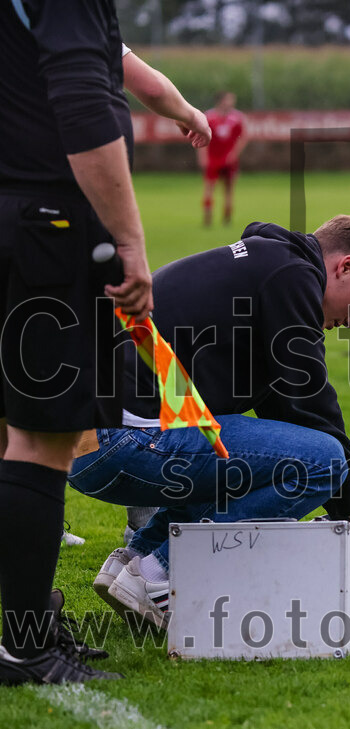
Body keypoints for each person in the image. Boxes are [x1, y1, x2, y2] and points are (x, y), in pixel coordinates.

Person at [68, 215, 350, 630]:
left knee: (256, 454)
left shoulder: (267, 265)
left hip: (79, 441)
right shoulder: (293, 277)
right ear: (345, 265)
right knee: (326, 462)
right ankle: (163, 574)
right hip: (121, 440)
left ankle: (134, 561)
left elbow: (287, 411)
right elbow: (311, 401)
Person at [0, 0, 153, 684]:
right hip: (47, 223)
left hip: (13, 212)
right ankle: (24, 643)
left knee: (13, 433)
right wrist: (128, 239)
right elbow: (83, 101)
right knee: (43, 438)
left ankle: (29, 615)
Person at [120, 43, 212, 546]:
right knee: (55, 406)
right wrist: (191, 113)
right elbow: (150, 85)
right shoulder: (70, 14)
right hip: (52, 217)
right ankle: (145, 531)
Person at [199, 91, 247, 227]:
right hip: (213, 158)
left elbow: (243, 137)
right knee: (209, 187)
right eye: (229, 100)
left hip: (229, 160)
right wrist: (203, 156)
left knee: (229, 189)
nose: (231, 103)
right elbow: (201, 136)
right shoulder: (209, 117)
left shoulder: (237, 118)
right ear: (220, 101)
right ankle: (207, 216)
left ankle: (227, 217)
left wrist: (234, 154)